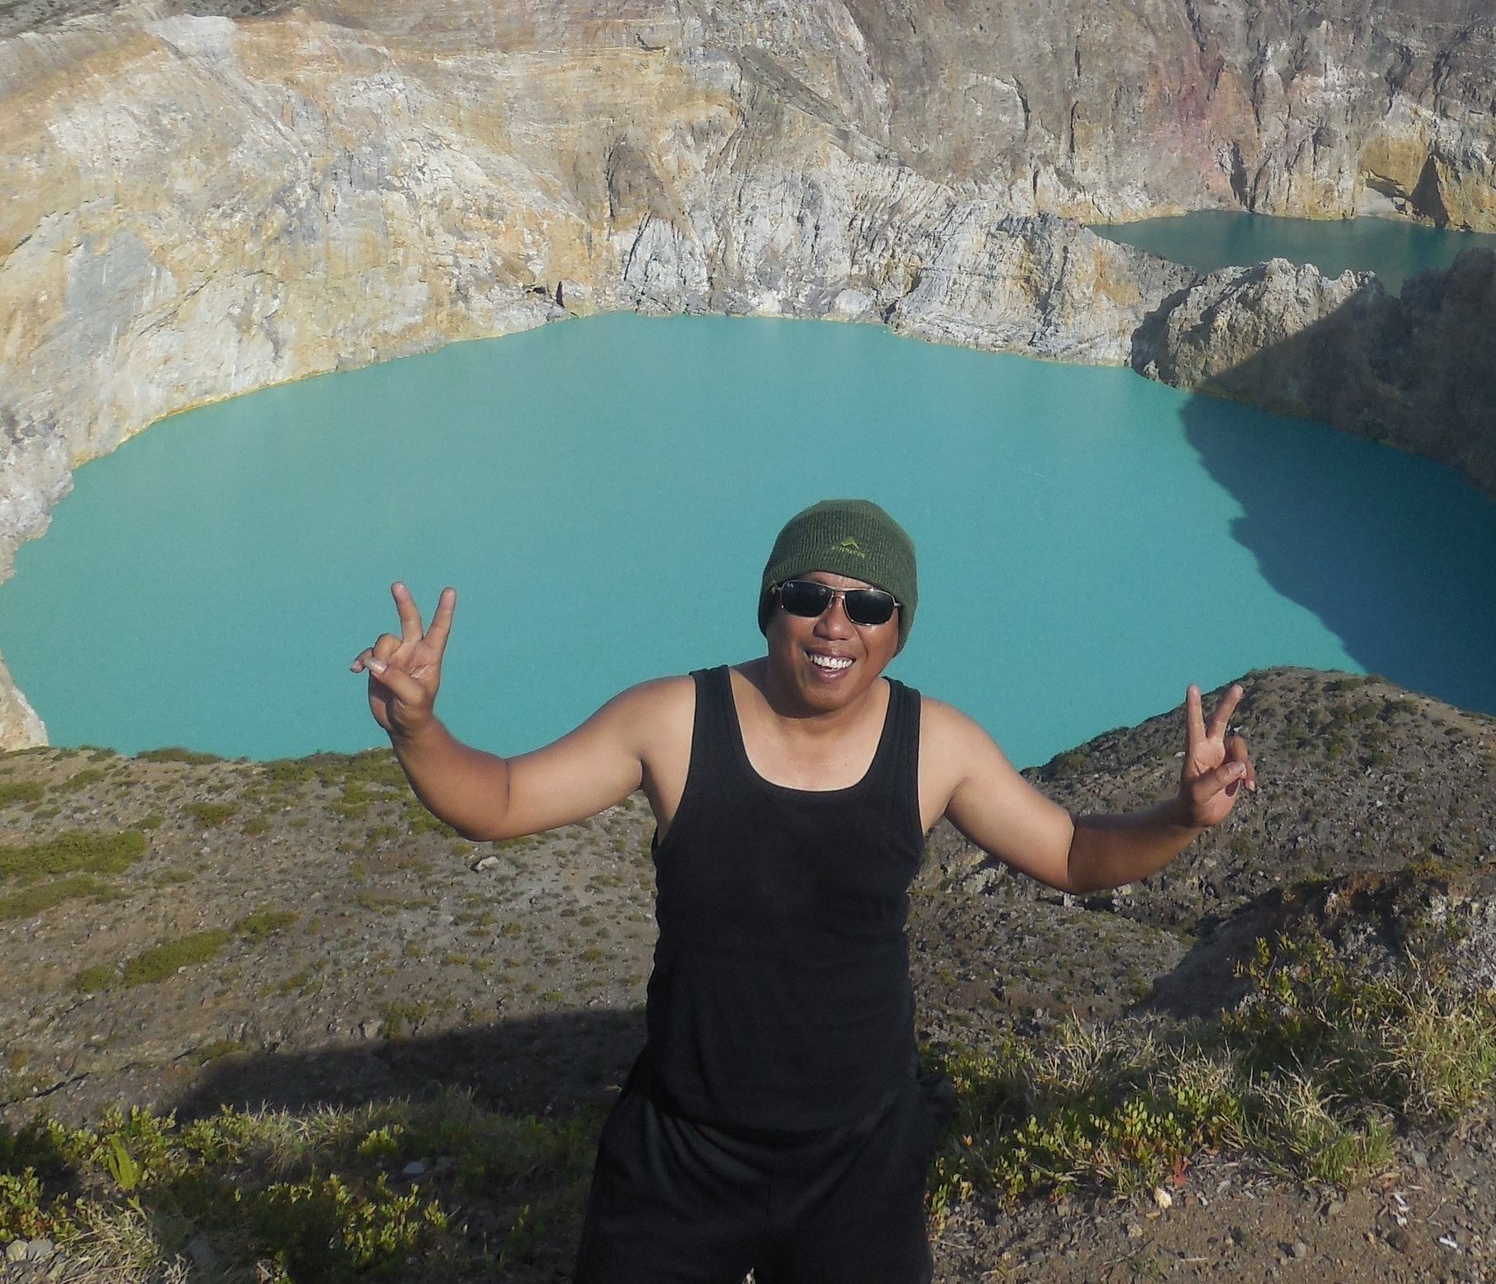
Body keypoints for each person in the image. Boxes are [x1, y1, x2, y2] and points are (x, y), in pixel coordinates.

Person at [350, 498, 1254, 1284]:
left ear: (897, 628)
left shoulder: (936, 745)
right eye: (807, 597)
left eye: (867, 605)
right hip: (681, 1148)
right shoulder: (671, 720)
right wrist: (421, 730)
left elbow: (1070, 853)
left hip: (859, 1157)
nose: (835, 625)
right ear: (768, 609)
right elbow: (500, 801)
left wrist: (1178, 817)